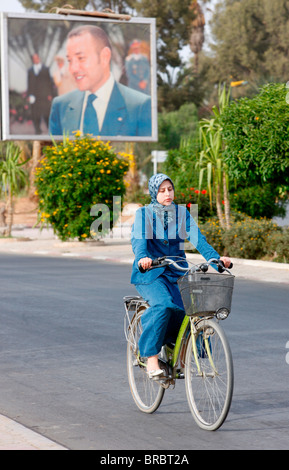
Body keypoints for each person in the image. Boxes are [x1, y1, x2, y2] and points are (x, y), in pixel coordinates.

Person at [131, 173, 231, 378]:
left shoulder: (182, 213)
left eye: (170, 189)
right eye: (162, 190)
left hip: (178, 271)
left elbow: (197, 238)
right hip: (151, 273)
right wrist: (143, 257)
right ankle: (150, 358)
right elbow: (139, 240)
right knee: (163, 305)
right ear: (153, 193)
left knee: (193, 311)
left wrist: (216, 260)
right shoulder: (144, 214)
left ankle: (182, 355)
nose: (167, 193)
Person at [49, 25, 152, 137]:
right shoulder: (61, 106)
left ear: (105, 57)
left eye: (81, 58)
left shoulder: (140, 105)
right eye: (69, 60)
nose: (73, 69)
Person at [27, 53, 55, 134]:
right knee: (35, 114)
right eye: (34, 58)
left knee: (46, 113)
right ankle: (38, 130)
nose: (35, 59)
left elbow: (49, 82)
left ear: (39, 58)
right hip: (34, 96)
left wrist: (50, 94)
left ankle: (50, 130)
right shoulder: (30, 70)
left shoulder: (45, 69)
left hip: (44, 95)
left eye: (36, 58)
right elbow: (29, 83)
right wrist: (29, 95)